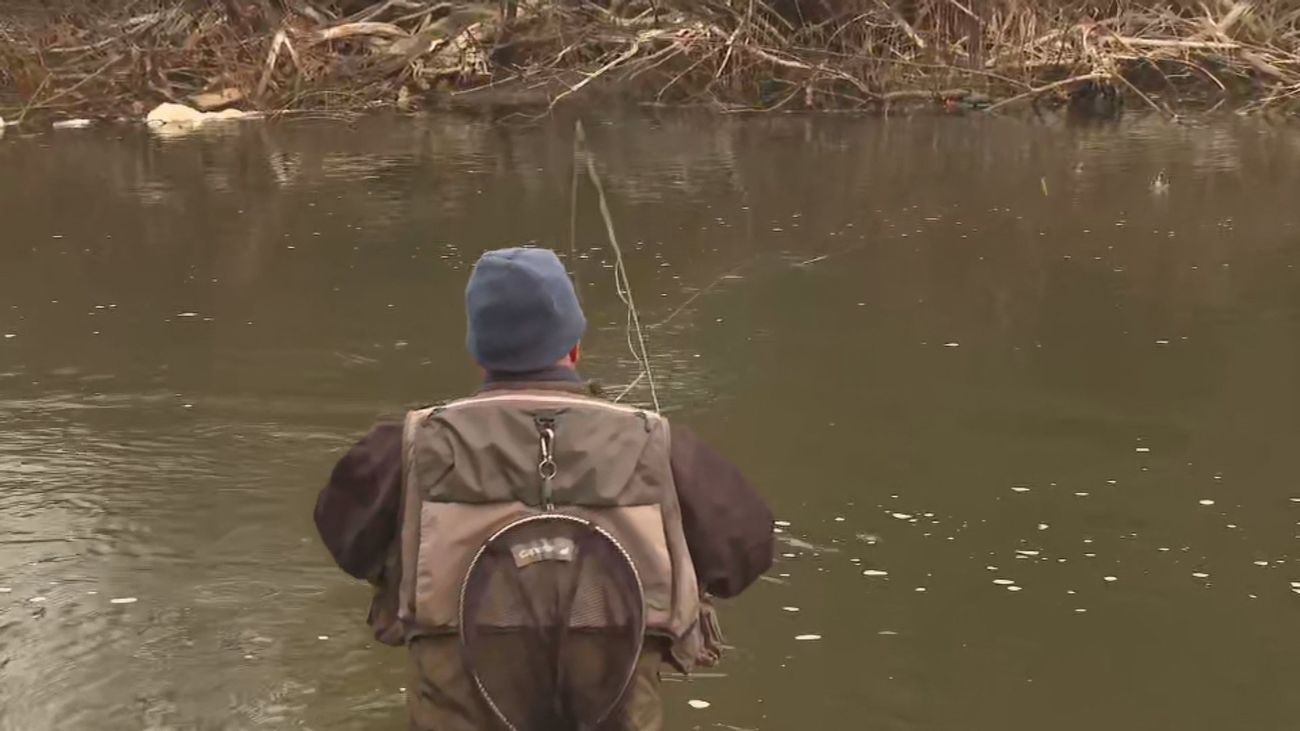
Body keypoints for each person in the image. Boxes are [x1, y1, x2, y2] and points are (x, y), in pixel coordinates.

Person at [314, 246, 773, 731]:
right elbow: (747, 553)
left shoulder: (406, 447)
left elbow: (346, 541)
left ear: (478, 354)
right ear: (574, 347)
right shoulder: (660, 446)